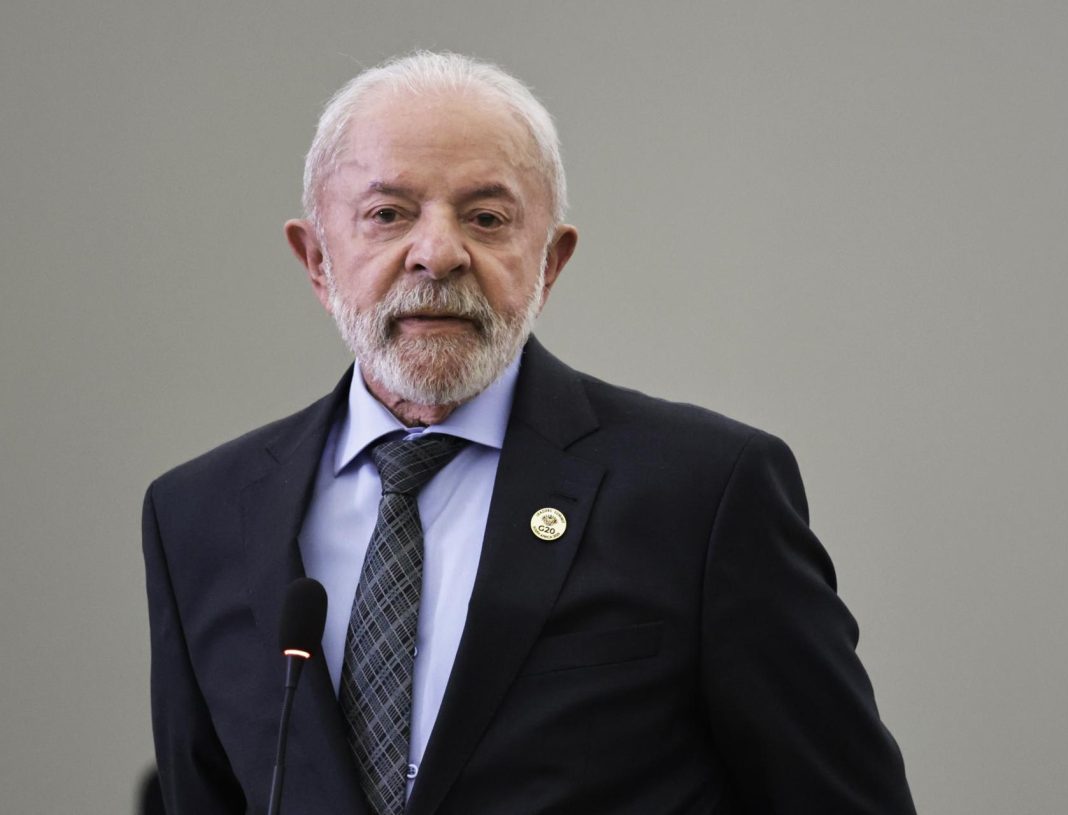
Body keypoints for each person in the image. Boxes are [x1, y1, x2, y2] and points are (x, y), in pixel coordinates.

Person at [142, 51, 916, 815]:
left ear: (550, 262)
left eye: (486, 218)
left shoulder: (705, 494)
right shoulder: (198, 517)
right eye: (388, 214)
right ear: (316, 259)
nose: (438, 254)